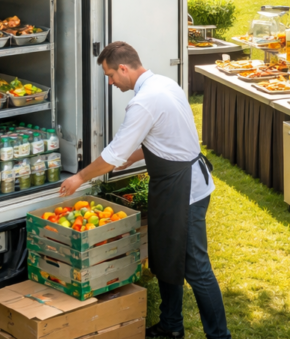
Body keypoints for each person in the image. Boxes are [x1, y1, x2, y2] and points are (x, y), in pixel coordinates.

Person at [60, 42, 230, 339]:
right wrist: (128, 159)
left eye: (111, 76)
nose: (111, 82)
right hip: (174, 185)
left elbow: (113, 154)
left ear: (123, 68)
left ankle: (219, 336)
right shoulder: (164, 83)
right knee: (166, 256)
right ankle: (171, 326)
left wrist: (80, 178)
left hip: (185, 190)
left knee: (196, 268)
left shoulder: (143, 102)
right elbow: (160, 139)